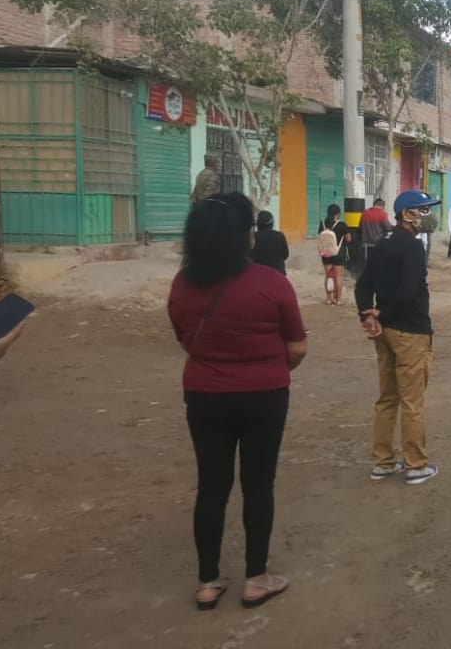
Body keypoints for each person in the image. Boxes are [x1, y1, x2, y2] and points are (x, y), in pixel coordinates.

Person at [168, 192, 306, 611]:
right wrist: (268, 368)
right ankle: (256, 579)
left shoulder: (181, 284)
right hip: (265, 397)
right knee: (258, 485)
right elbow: (297, 347)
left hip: (204, 396)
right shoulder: (272, 283)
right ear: (243, 236)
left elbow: (184, 338)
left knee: (211, 486)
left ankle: (208, 582)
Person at [355, 189, 442, 486]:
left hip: (385, 333)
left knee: (387, 398)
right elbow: (408, 292)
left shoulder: (383, 242)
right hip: (411, 331)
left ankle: (382, 462)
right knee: (412, 402)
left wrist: (369, 316)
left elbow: (363, 285)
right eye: (424, 210)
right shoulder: (413, 247)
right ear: (407, 214)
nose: (429, 216)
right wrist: (381, 315)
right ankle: (416, 465)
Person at [318, 204, 349, 305]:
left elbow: (320, 237)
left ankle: (328, 299)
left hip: (326, 253)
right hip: (338, 252)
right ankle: (338, 299)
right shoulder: (342, 224)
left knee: (328, 275)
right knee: (338, 276)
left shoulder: (322, 224)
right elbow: (348, 239)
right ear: (338, 213)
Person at [249, 211, 289, 275]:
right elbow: (286, 254)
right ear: (272, 224)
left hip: (261, 275)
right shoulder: (280, 235)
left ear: (258, 225)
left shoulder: (254, 237)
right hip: (279, 274)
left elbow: (250, 257)